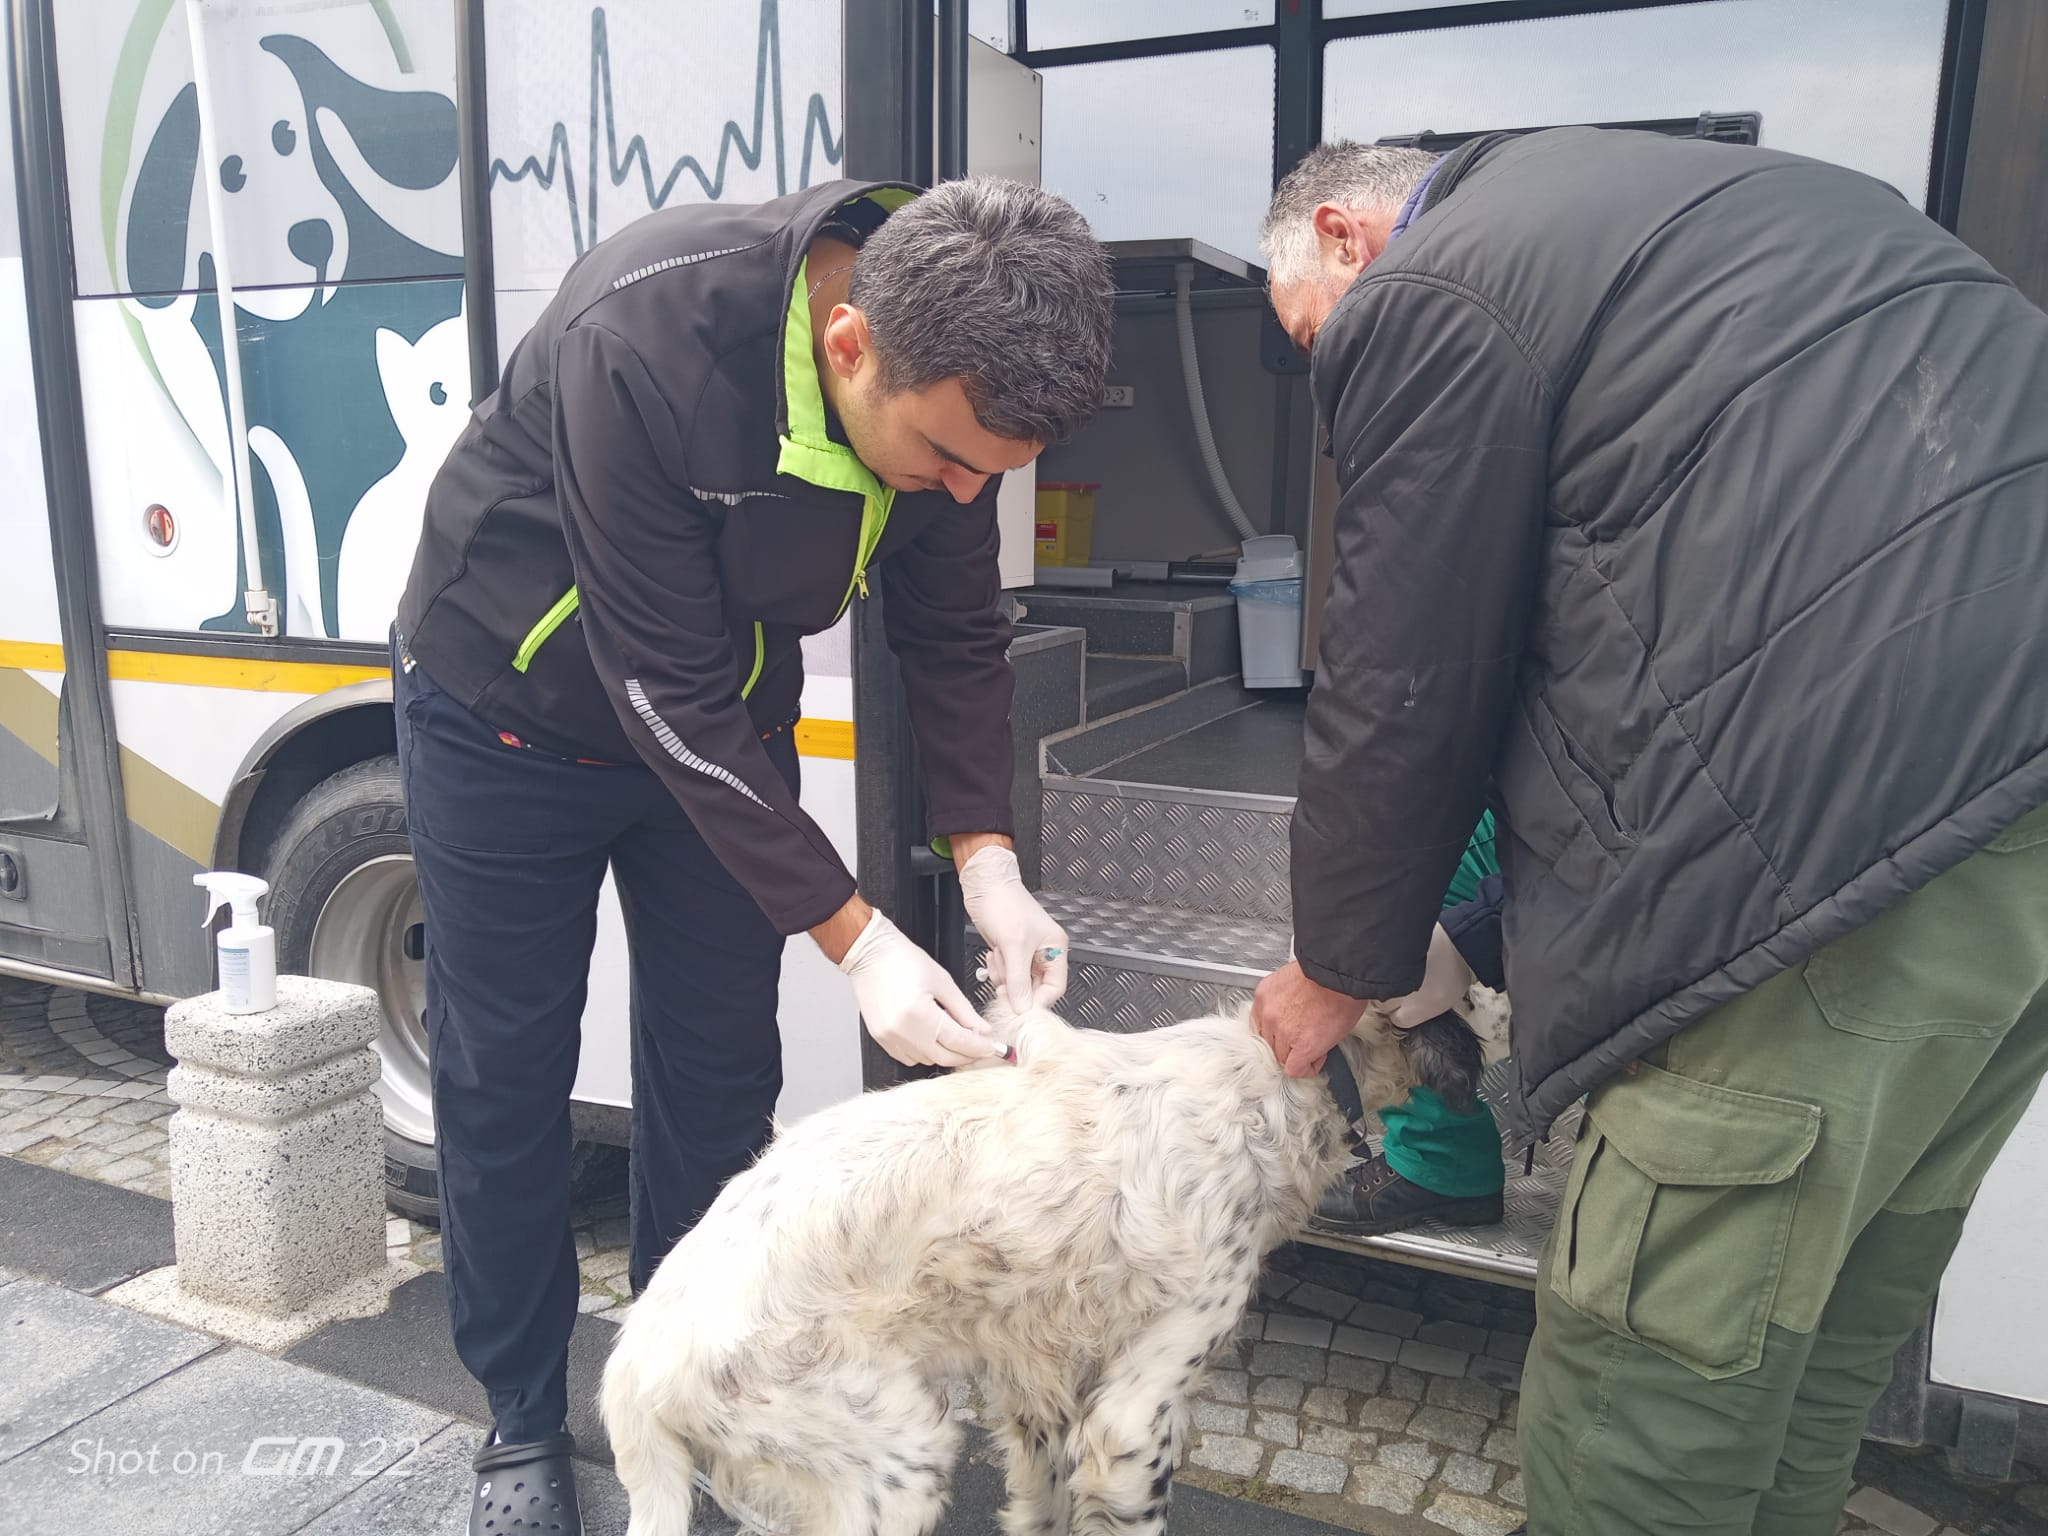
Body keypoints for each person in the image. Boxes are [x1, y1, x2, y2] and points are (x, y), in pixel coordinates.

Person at [1250, 131, 2048, 1536]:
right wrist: (1476, 932)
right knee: (1812, 1343)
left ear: (1343, 238)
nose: (1333, 374)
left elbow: (1408, 671)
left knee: (1649, 1395)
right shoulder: (1725, 215)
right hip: (2001, 831)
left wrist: (1333, 965)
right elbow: (1639, 637)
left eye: (1314, 337)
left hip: (1831, 843)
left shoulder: (1439, 285)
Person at [393, 176, 1114, 1532]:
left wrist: (987, 866)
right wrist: (857, 936)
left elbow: (957, 637)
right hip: (509, 710)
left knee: (719, 1078)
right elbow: (653, 676)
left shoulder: (955, 383)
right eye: (948, 458)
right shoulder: (648, 334)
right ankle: (518, 1419)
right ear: (850, 346)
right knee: (506, 1073)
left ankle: (690, 1383)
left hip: (717, 728)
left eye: (990, 474)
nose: (962, 494)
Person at [1312, 813, 1509, 1235]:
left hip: (1625, 823)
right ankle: (1447, 1158)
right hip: (1548, 796)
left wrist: (1471, 936)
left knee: (1376, 910)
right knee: (1367, 904)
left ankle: (1439, 1154)